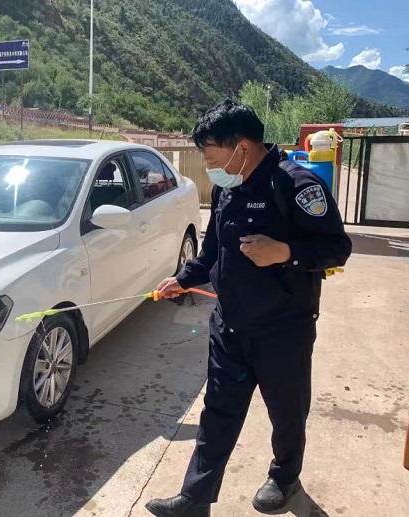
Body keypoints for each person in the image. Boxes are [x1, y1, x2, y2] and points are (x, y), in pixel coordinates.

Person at [146, 100, 352, 516]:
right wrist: (183, 278)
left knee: (287, 412)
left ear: (241, 147)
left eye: (211, 156)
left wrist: (285, 252)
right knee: (218, 412)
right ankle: (195, 497)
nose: (208, 166)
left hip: (283, 330)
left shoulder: (296, 185)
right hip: (230, 326)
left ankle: (285, 477)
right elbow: (212, 253)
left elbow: (337, 248)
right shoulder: (227, 187)